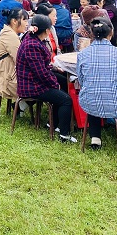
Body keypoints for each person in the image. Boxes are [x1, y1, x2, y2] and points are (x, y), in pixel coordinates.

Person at [76, 18, 117, 155]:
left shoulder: (83, 54)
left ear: (92, 35)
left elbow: (82, 81)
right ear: (111, 34)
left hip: (89, 101)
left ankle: (95, 139)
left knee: (92, 94)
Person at [15, 14, 76, 143]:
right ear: (47, 30)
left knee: (64, 80)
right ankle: (64, 134)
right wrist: (54, 84)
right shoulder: (32, 45)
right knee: (65, 100)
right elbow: (41, 73)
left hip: (34, 79)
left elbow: (42, 66)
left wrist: (55, 70)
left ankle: (53, 123)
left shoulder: (32, 38)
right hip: (31, 85)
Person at [0, 7, 28, 105]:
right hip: (9, 79)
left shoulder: (9, 33)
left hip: (9, 73)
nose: (27, 23)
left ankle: (21, 106)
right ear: (14, 21)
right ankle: (21, 106)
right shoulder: (10, 36)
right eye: (24, 20)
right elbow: (20, 60)